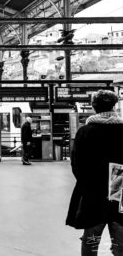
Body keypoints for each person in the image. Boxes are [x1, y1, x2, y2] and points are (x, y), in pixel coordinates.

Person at [66, 90, 123, 255]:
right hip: (119, 188)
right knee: (120, 235)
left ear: (94, 107)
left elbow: (76, 165)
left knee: (91, 237)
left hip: (92, 191)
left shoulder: (85, 132)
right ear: (114, 105)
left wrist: (88, 182)